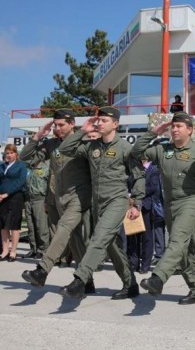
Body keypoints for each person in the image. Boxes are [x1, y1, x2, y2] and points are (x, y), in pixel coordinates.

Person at [57, 106, 144, 300]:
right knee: (112, 246)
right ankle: (130, 285)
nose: (100, 123)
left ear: (115, 124)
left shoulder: (125, 148)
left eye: (105, 121)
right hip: (98, 203)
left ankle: (80, 280)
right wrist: (83, 131)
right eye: (99, 120)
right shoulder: (92, 146)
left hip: (117, 200)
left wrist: (137, 203)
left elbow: (139, 176)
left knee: (98, 238)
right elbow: (65, 148)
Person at [133, 112, 195, 305]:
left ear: (190, 130)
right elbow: (136, 153)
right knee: (184, 251)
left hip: (191, 203)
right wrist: (152, 133)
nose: (175, 129)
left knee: (176, 242)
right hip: (170, 205)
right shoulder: (162, 150)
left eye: (179, 126)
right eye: (173, 126)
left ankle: (158, 278)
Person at [21, 109, 94, 291]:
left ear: (72, 123)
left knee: (63, 229)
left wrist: (83, 132)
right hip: (61, 197)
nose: (58, 128)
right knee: (74, 239)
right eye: (56, 125)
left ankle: (42, 270)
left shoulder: (84, 142)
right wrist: (38, 136)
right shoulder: (52, 144)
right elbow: (25, 158)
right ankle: (87, 281)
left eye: (62, 125)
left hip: (79, 196)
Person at [127, 158, 162, 274]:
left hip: (146, 206)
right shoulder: (134, 168)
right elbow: (128, 183)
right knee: (132, 235)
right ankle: (133, 263)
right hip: (132, 205)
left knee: (147, 237)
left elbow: (153, 187)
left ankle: (145, 265)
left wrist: (136, 194)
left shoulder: (154, 169)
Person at [0, 144, 27, 262]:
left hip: (15, 197)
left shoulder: (21, 166)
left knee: (14, 225)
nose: (9, 155)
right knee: (3, 225)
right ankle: (5, 250)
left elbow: (21, 182)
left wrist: (7, 193)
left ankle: (13, 251)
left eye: (11, 153)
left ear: (16, 154)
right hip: (2, 198)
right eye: (7, 153)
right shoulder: (2, 166)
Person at [23, 160, 50, 259]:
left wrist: (47, 201)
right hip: (27, 199)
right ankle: (33, 249)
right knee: (30, 226)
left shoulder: (46, 168)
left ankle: (43, 250)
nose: (31, 157)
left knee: (41, 226)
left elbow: (50, 186)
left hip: (40, 199)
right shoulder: (27, 169)